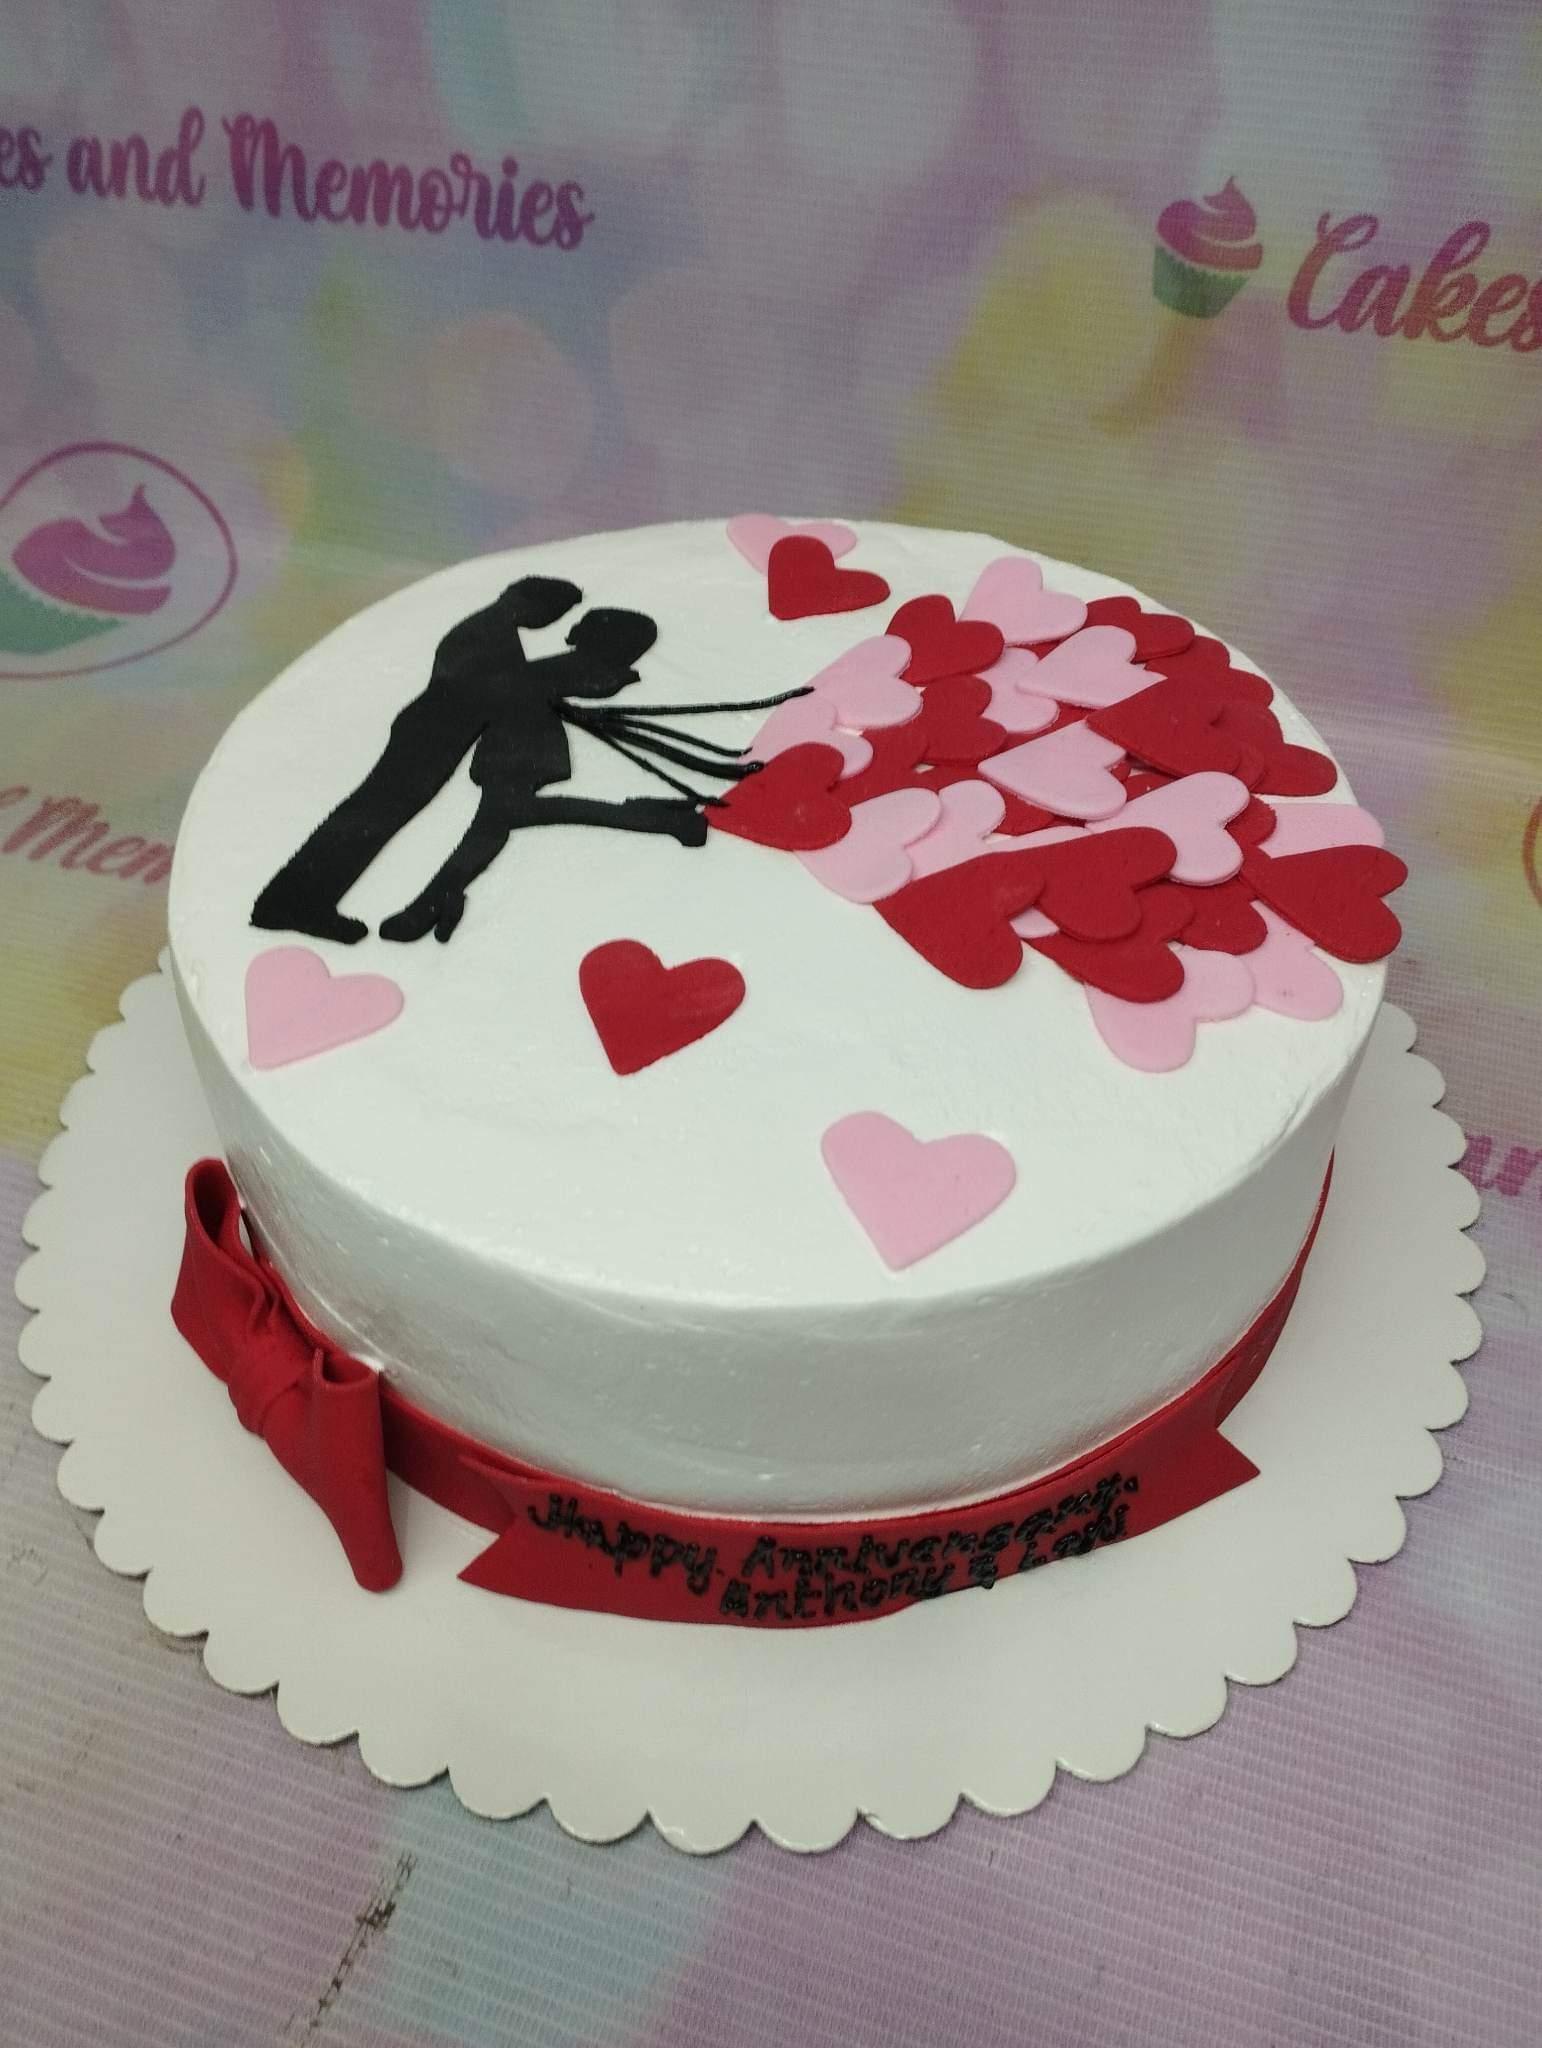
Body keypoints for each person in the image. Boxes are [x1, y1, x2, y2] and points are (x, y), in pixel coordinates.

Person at [251, 576, 705, 946]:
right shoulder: (480, 633)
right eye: (550, 613)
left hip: (445, 738)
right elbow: (495, 687)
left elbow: (516, 685)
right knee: (372, 814)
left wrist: (579, 679)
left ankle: (311, 900)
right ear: (526, 602)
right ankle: (295, 901)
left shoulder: (498, 633)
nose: (552, 623)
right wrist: (581, 677)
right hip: (429, 736)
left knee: (386, 816)